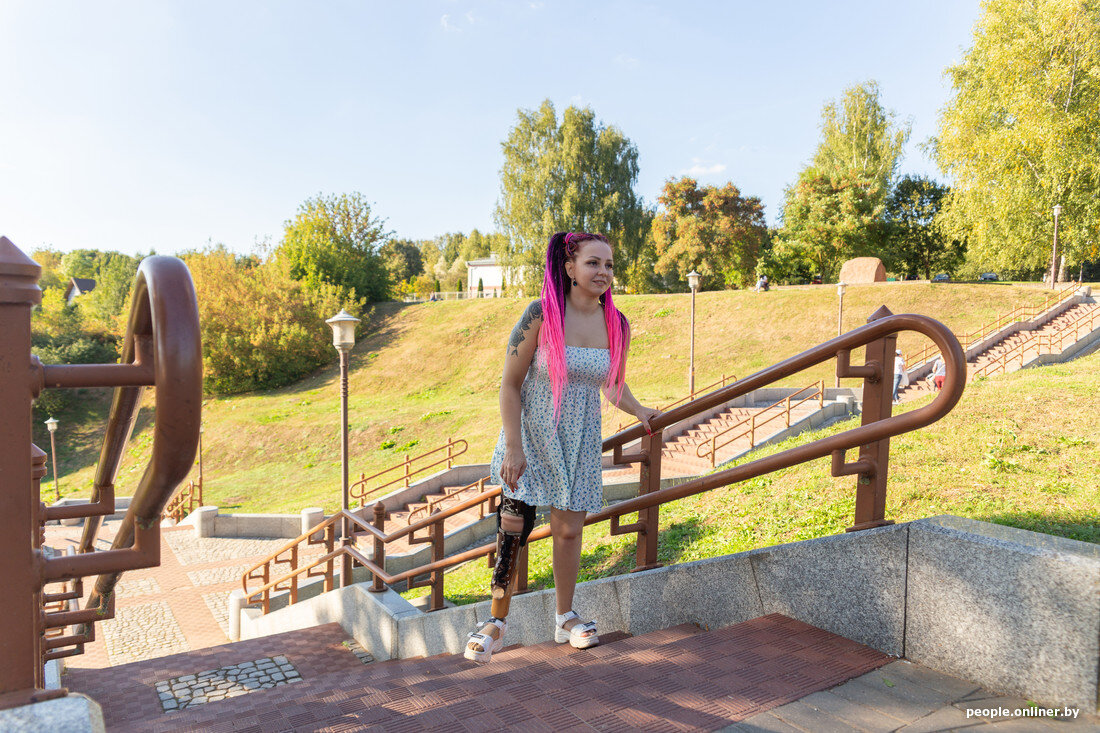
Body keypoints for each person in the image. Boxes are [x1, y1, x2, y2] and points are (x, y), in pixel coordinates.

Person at [464, 231, 659, 664]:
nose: (603, 272)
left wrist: (640, 410)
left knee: (569, 531)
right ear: (570, 267)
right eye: (593, 263)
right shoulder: (541, 314)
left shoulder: (617, 323)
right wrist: (513, 446)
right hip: (531, 438)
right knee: (512, 532)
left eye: (609, 265)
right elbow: (510, 385)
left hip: (580, 441)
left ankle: (564, 617)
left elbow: (611, 384)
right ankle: (496, 622)